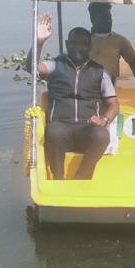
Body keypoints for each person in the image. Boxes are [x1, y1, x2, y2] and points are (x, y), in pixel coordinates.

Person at [27, 14, 119, 179]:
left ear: (89, 47)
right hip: (61, 128)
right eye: (74, 43)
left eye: (83, 44)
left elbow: (113, 104)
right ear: (67, 45)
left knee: (102, 135)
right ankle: (58, 178)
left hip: (87, 129)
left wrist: (104, 120)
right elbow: (32, 68)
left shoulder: (100, 71)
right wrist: (39, 41)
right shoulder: (55, 65)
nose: (78, 47)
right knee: (53, 130)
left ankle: (81, 177)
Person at [87, 2, 135, 82]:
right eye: (103, 18)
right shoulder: (84, 40)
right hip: (87, 89)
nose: (109, 21)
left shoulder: (120, 40)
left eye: (109, 17)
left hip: (111, 89)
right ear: (92, 19)